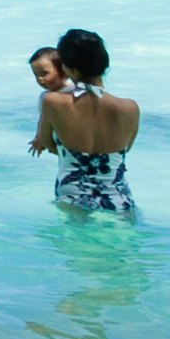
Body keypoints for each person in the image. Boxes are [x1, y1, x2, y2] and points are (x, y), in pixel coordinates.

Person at [28, 27, 141, 218]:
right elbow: (126, 148)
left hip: (72, 197)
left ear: (70, 69)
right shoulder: (130, 108)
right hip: (119, 200)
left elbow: (48, 143)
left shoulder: (52, 102)